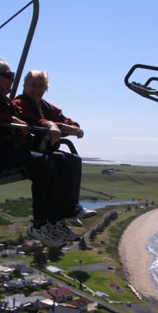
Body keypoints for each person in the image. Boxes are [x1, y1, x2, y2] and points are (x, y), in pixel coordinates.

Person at [0, 58, 79, 247]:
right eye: (8, 75)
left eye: (12, 76)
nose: (11, 80)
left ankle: (55, 220)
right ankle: (39, 224)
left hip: (6, 151)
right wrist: (11, 119)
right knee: (44, 164)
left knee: (62, 160)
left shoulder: (2, 99)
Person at [12, 70, 96, 225]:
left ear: (46, 88)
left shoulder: (47, 107)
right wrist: (55, 126)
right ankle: (63, 212)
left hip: (44, 150)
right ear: (24, 86)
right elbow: (31, 120)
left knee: (75, 159)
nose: (37, 90)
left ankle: (71, 208)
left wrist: (72, 128)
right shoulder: (19, 103)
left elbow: (68, 122)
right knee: (61, 160)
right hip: (30, 151)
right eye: (33, 86)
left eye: (41, 86)